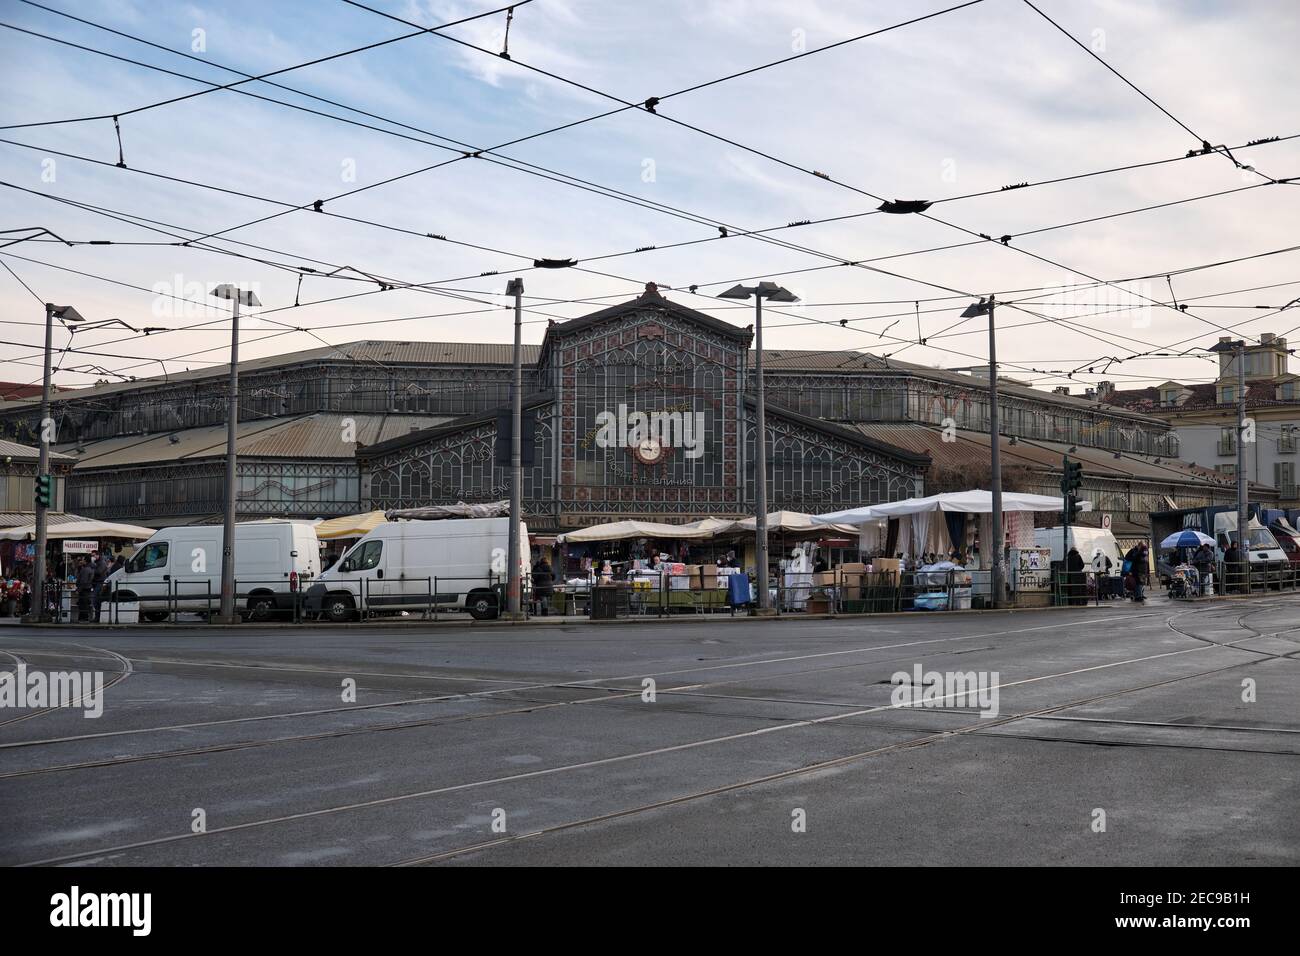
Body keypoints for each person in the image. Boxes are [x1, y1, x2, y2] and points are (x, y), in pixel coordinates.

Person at [75, 556, 95, 623]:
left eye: (83, 560)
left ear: (86, 561)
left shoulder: (85, 569)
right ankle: (84, 618)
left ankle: (83, 618)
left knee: (83, 604)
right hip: (87, 588)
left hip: (84, 589)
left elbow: (83, 581)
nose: (82, 561)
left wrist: (78, 589)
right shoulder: (90, 568)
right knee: (85, 603)